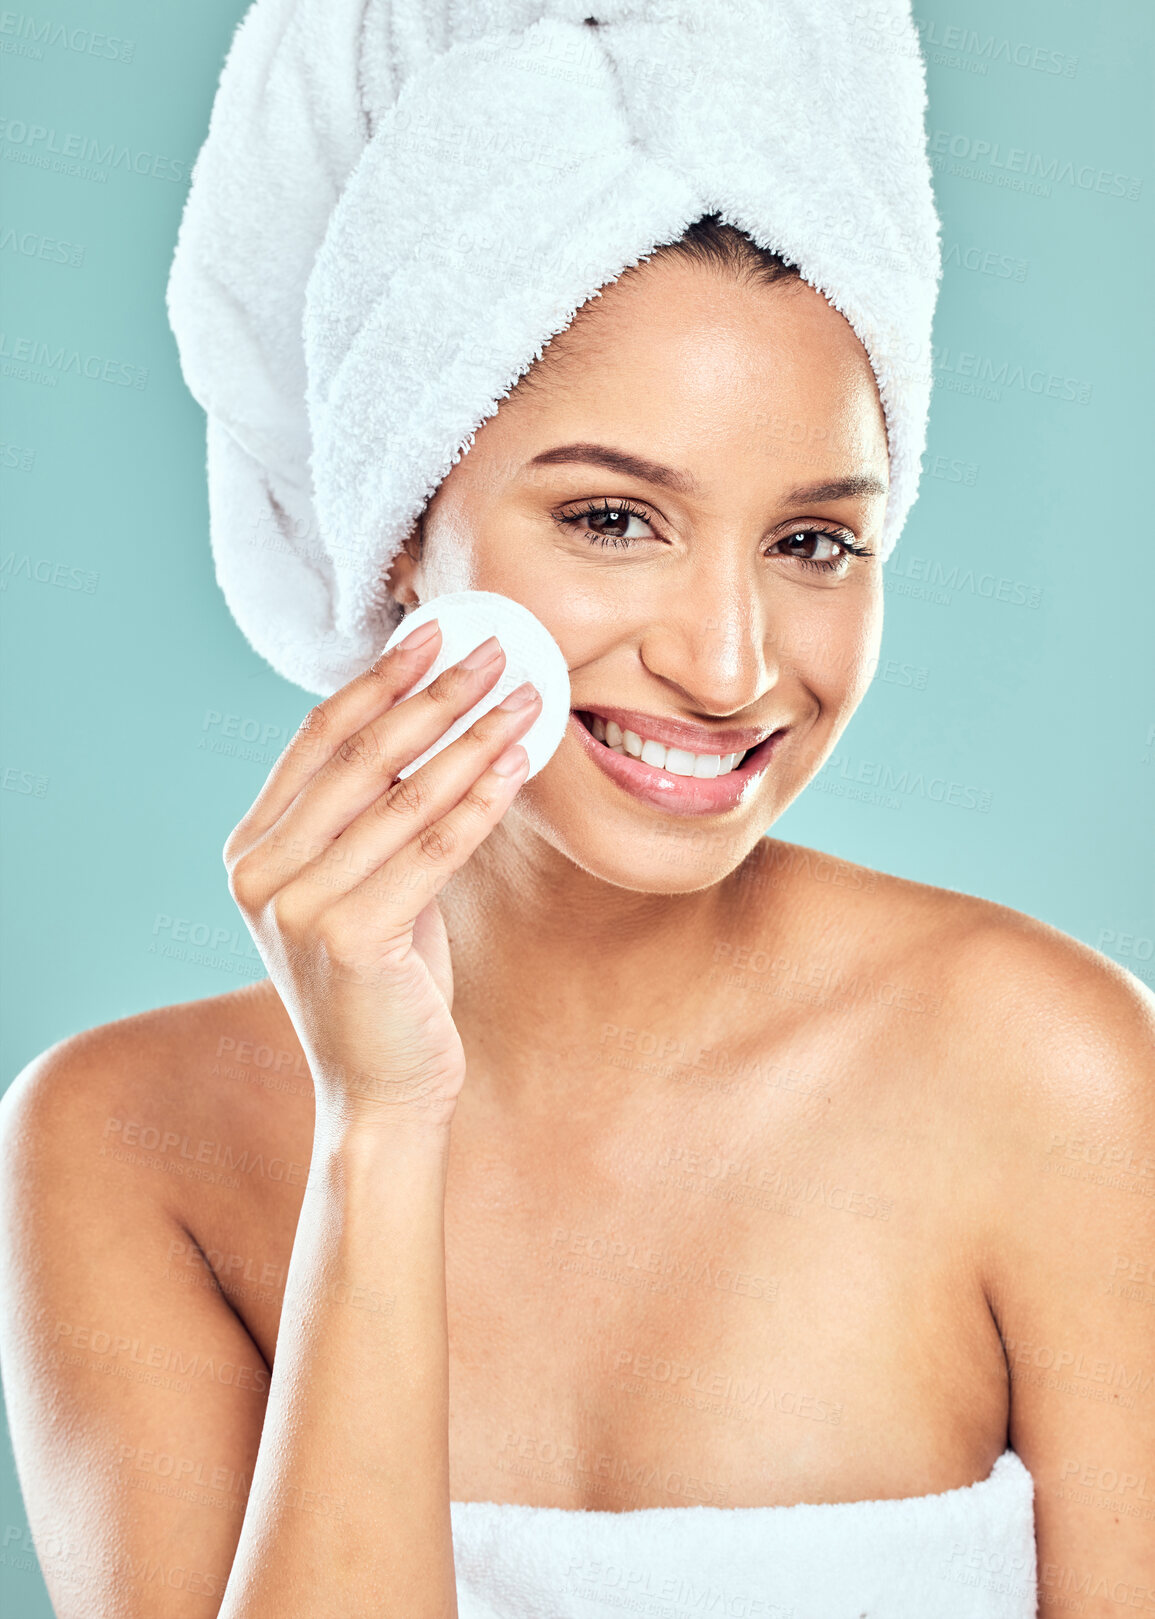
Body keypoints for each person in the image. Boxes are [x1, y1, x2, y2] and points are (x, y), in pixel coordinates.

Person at [1, 216, 1152, 1618]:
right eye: (614, 520)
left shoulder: (1049, 1072)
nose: (727, 664)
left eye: (815, 541)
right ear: (407, 526)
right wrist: (378, 1135)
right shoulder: (124, 1139)